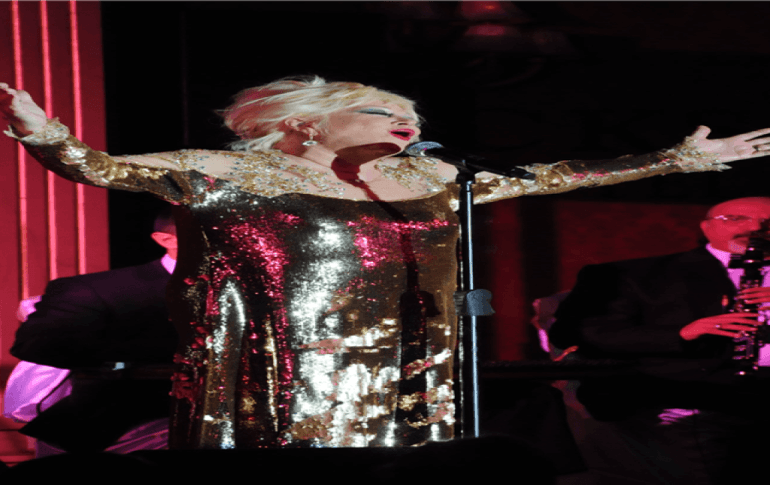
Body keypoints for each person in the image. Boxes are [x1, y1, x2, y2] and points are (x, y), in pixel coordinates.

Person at [2, 77, 770, 450]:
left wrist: (672, 159)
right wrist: (43, 131)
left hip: (404, 367)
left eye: (412, 114)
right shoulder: (228, 170)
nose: (406, 120)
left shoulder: (425, 176)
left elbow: (546, 175)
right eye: (382, 109)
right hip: (280, 368)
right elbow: (100, 168)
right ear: (310, 122)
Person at [548, 196, 770, 484]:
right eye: (737, 219)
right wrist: (684, 332)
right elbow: (578, 332)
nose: (755, 228)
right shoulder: (630, 275)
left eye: (767, 222)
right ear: (706, 227)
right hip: (695, 397)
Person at [7, 208, 178, 454]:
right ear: (166, 240)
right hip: (112, 431)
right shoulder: (99, 288)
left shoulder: (240, 288)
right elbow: (36, 344)